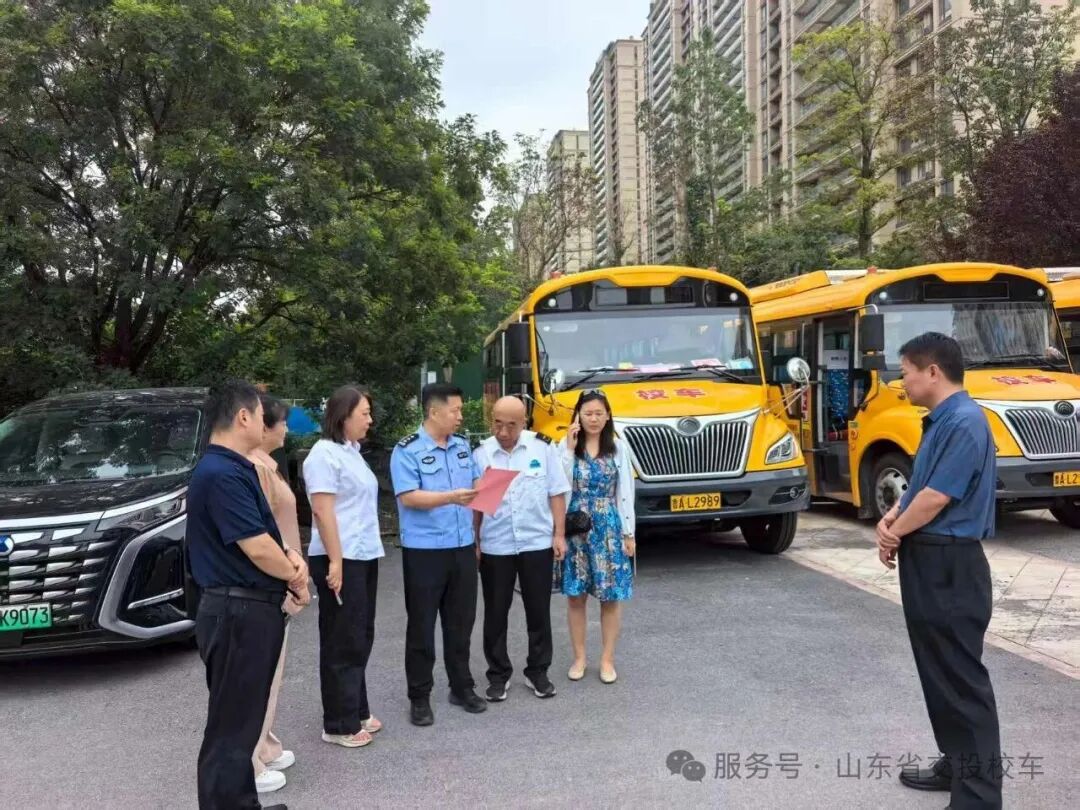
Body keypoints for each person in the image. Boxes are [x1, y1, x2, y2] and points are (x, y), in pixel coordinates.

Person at [876, 332, 1002, 810]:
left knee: (961, 681)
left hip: (951, 563)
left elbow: (936, 498)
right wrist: (892, 518)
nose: (900, 381)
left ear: (933, 372)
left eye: (905, 371)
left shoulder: (966, 422)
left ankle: (979, 796)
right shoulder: (941, 421)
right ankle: (957, 763)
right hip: (930, 558)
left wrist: (892, 533)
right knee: (938, 672)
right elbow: (918, 489)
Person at [187, 380, 309, 810]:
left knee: (241, 722)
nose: (265, 421)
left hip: (245, 610)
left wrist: (291, 564)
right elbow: (256, 545)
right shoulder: (221, 473)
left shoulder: (232, 468)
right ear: (243, 417)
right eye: (260, 414)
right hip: (237, 611)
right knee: (231, 727)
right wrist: (295, 576)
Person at [390, 383, 484, 725]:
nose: (460, 416)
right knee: (422, 626)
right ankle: (419, 696)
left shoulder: (462, 447)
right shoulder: (407, 450)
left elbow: (476, 487)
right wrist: (450, 497)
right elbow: (408, 497)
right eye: (455, 410)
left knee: (461, 624)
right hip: (425, 551)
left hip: (461, 547)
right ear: (434, 412)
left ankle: (461, 687)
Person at [303, 385, 386, 748]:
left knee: (360, 633)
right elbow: (322, 510)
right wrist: (335, 561)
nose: (370, 419)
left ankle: (357, 707)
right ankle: (338, 723)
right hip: (340, 556)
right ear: (343, 416)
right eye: (364, 413)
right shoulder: (323, 455)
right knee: (342, 637)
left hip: (363, 553)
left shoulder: (353, 453)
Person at [472, 396, 570, 701]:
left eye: (510, 425)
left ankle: (538, 671)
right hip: (496, 544)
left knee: (538, 611)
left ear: (524, 422)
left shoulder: (542, 447)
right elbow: (475, 504)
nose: (503, 431)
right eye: (497, 423)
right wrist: (475, 541)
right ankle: (498, 674)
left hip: (536, 542)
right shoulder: (481, 453)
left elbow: (556, 492)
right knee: (496, 612)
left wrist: (559, 535)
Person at [557, 389, 635, 685]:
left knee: (610, 596)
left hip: (608, 528)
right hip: (576, 527)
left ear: (608, 416)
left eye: (598, 413)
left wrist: (629, 533)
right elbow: (558, 486)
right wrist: (567, 448)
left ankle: (607, 659)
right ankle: (579, 657)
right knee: (576, 596)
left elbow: (626, 492)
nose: (593, 419)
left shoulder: (618, 448)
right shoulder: (565, 447)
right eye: (587, 413)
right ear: (577, 415)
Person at [249, 395, 306, 795]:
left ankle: (264, 744)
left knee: (274, 668)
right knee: (259, 674)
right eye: (282, 422)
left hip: (287, 572)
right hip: (275, 579)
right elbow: (263, 537)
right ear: (264, 426)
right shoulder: (255, 468)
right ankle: (249, 761)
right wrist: (292, 577)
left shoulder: (270, 465)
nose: (286, 428)